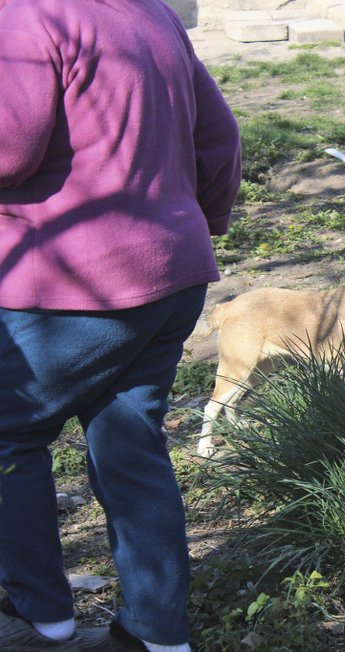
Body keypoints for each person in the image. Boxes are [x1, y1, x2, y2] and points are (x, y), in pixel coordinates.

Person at [0, 0, 241, 650]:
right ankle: (157, 633)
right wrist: (193, 225)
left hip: (70, 287)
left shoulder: (27, 14)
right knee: (131, 446)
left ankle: (38, 617)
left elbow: (10, 147)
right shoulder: (154, 13)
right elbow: (220, 138)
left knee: (6, 435)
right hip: (170, 276)